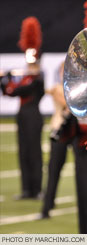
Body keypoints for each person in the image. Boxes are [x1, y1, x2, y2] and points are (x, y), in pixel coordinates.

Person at [0, 17, 44, 200]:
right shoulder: (26, 77)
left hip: (33, 114)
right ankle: (27, 189)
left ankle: (37, 189)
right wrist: (4, 79)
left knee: (34, 152)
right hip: (22, 115)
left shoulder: (37, 78)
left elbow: (26, 88)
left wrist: (13, 82)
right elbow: (9, 92)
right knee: (23, 151)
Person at [40, 63, 72, 218]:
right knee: (54, 169)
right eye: (63, 71)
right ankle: (46, 207)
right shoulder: (58, 88)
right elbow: (67, 103)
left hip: (75, 130)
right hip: (59, 129)